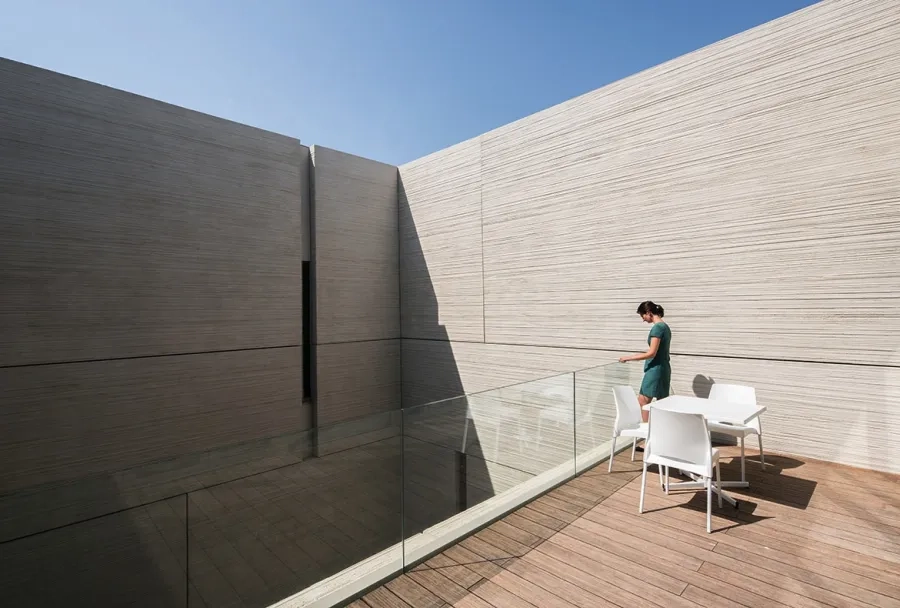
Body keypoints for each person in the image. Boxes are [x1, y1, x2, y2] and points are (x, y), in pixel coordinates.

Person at [619, 301, 671, 423]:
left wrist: (629, 358)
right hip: (663, 368)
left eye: (642, 316)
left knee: (643, 402)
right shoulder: (665, 327)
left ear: (648, 312)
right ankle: (659, 434)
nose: (643, 320)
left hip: (655, 370)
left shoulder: (657, 328)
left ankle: (646, 435)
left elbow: (651, 353)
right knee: (661, 403)